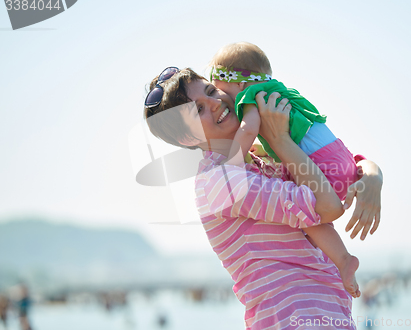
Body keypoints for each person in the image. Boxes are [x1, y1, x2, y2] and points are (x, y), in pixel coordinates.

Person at [143, 67, 383, 329]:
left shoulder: (258, 159)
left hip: (326, 311)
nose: (214, 103)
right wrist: (279, 138)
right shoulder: (218, 183)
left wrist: (372, 176)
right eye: (198, 109)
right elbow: (326, 206)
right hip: (292, 316)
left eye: (211, 91)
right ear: (187, 137)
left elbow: (334, 162)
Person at [208, 42, 375, 297]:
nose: (225, 101)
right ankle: (344, 261)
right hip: (341, 162)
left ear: (240, 84)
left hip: (323, 172)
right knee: (310, 215)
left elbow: (249, 129)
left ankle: (342, 260)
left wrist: (232, 163)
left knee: (307, 214)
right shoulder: (280, 93)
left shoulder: (251, 98)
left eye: (224, 91)